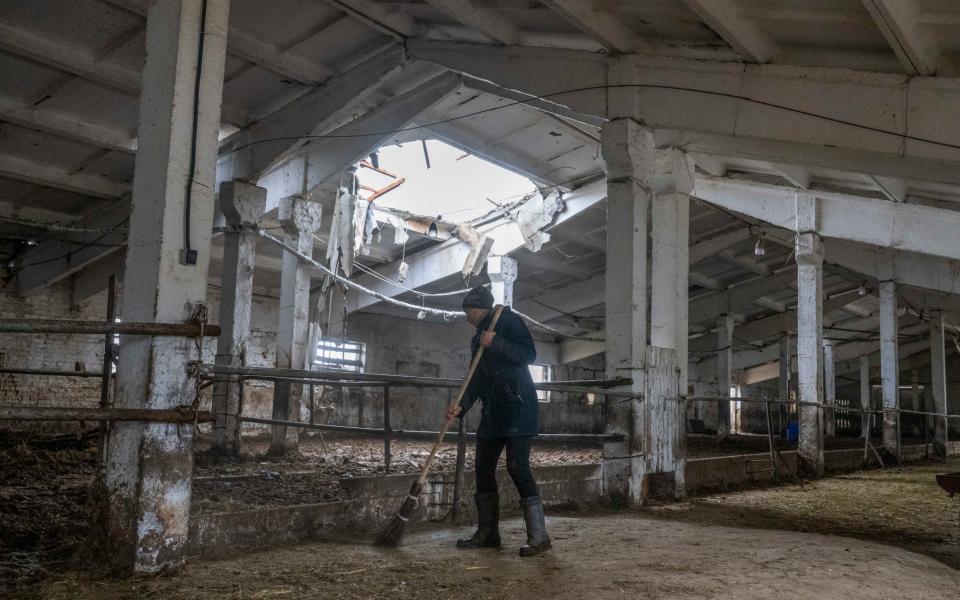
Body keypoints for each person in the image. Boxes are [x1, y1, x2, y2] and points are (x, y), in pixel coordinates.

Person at [445, 285, 551, 557]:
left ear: (480, 308)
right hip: (493, 413)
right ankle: (488, 533)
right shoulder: (477, 338)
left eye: (468, 311)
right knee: (482, 468)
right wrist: (462, 405)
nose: (467, 316)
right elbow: (476, 378)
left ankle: (539, 537)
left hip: (519, 408)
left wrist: (497, 342)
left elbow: (528, 355)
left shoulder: (509, 322)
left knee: (517, 467)